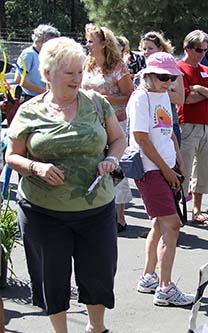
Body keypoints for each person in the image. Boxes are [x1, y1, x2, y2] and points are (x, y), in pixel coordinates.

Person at [6, 36, 126, 333]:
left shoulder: (96, 103)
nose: (77, 78)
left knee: (98, 273)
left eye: (80, 72)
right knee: (52, 276)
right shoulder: (29, 111)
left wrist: (111, 159)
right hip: (43, 212)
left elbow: (118, 140)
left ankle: (96, 328)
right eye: (69, 72)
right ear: (48, 74)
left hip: (96, 209)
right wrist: (36, 167)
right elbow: (12, 157)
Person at [128, 52, 194, 306]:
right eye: (164, 77)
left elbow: (169, 131)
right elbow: (141, 138)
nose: (169, 81)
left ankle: (149, 277)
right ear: (149, 75)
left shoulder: (162, 95)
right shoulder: (140, 97)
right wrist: (166, 169)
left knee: (159, 223)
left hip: (164, 167)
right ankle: (165, 288)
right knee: (172, 225)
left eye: (171, 77)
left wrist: (178, 161)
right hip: (150, 169)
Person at [82, 23, 133, 233]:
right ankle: (97, 211)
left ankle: (119, 216)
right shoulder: (88, 64)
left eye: (91, 41)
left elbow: (129, 95)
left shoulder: (118, 67)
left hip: (115, 123)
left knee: (114, 167)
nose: (87, 44)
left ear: (103, 43)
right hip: (90, 124)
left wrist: (103, 98)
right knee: (95, 165)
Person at [177, 30, 208, 225]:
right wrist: (207, 92)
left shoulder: (207, 70)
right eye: (198, 49)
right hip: (187, 124)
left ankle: (197, 210)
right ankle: (179, 209)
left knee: (204, 168)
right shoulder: (178, 68)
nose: (202, 53)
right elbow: (186, 98)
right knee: (184, 168)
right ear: (187, 48)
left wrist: (200, 89)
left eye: (205, 49)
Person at [140, 31, 184, 145]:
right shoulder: (141, 73)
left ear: (160, 49)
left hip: (168, 124)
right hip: (146, 124)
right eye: (144, 49)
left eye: (150, 48)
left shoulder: (173, 70)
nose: (146, 52)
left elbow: (180, 99)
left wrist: (158, 90)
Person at [15, 24, 60, 103]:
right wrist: (43, 91)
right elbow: (19, 79)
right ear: (43, 41)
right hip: (30, 99)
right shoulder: (29, 54)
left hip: (43, 98)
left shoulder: (45, 56)